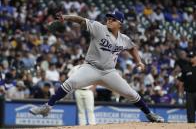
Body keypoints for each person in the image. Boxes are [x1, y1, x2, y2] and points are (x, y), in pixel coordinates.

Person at [29, 10, 164, 122]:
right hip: (91, 68)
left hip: (109, 73)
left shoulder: (124, 39)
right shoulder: (99, 27)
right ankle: (47, 107)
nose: (109, 20)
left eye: (113, 19)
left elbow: (132, 48)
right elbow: (81, 20)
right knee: (70, 82)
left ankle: (149, 114)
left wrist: (139, 61)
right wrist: (65, 17)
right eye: (109, 18)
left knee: (131, 93)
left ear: (120, 23)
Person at [68, 58, 96, 125]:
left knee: (90, 109)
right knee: (81, 110)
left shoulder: (91, 69)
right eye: (81, 60)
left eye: (84, 60)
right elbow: (69, 77)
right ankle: (82, 125)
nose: (83, 61)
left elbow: (96, 79)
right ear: (79, 61)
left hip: (88, 90)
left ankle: (92, 125)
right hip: (78, 90)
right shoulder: (75, 68)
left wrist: (94, 87)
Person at [177, 50, 196, 123]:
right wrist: (180, 94)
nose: (191, 58)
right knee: (190, 112)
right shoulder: (185, 68)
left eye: (192, 57)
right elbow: (181, 82)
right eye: (189, 57)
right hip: (189, 93)